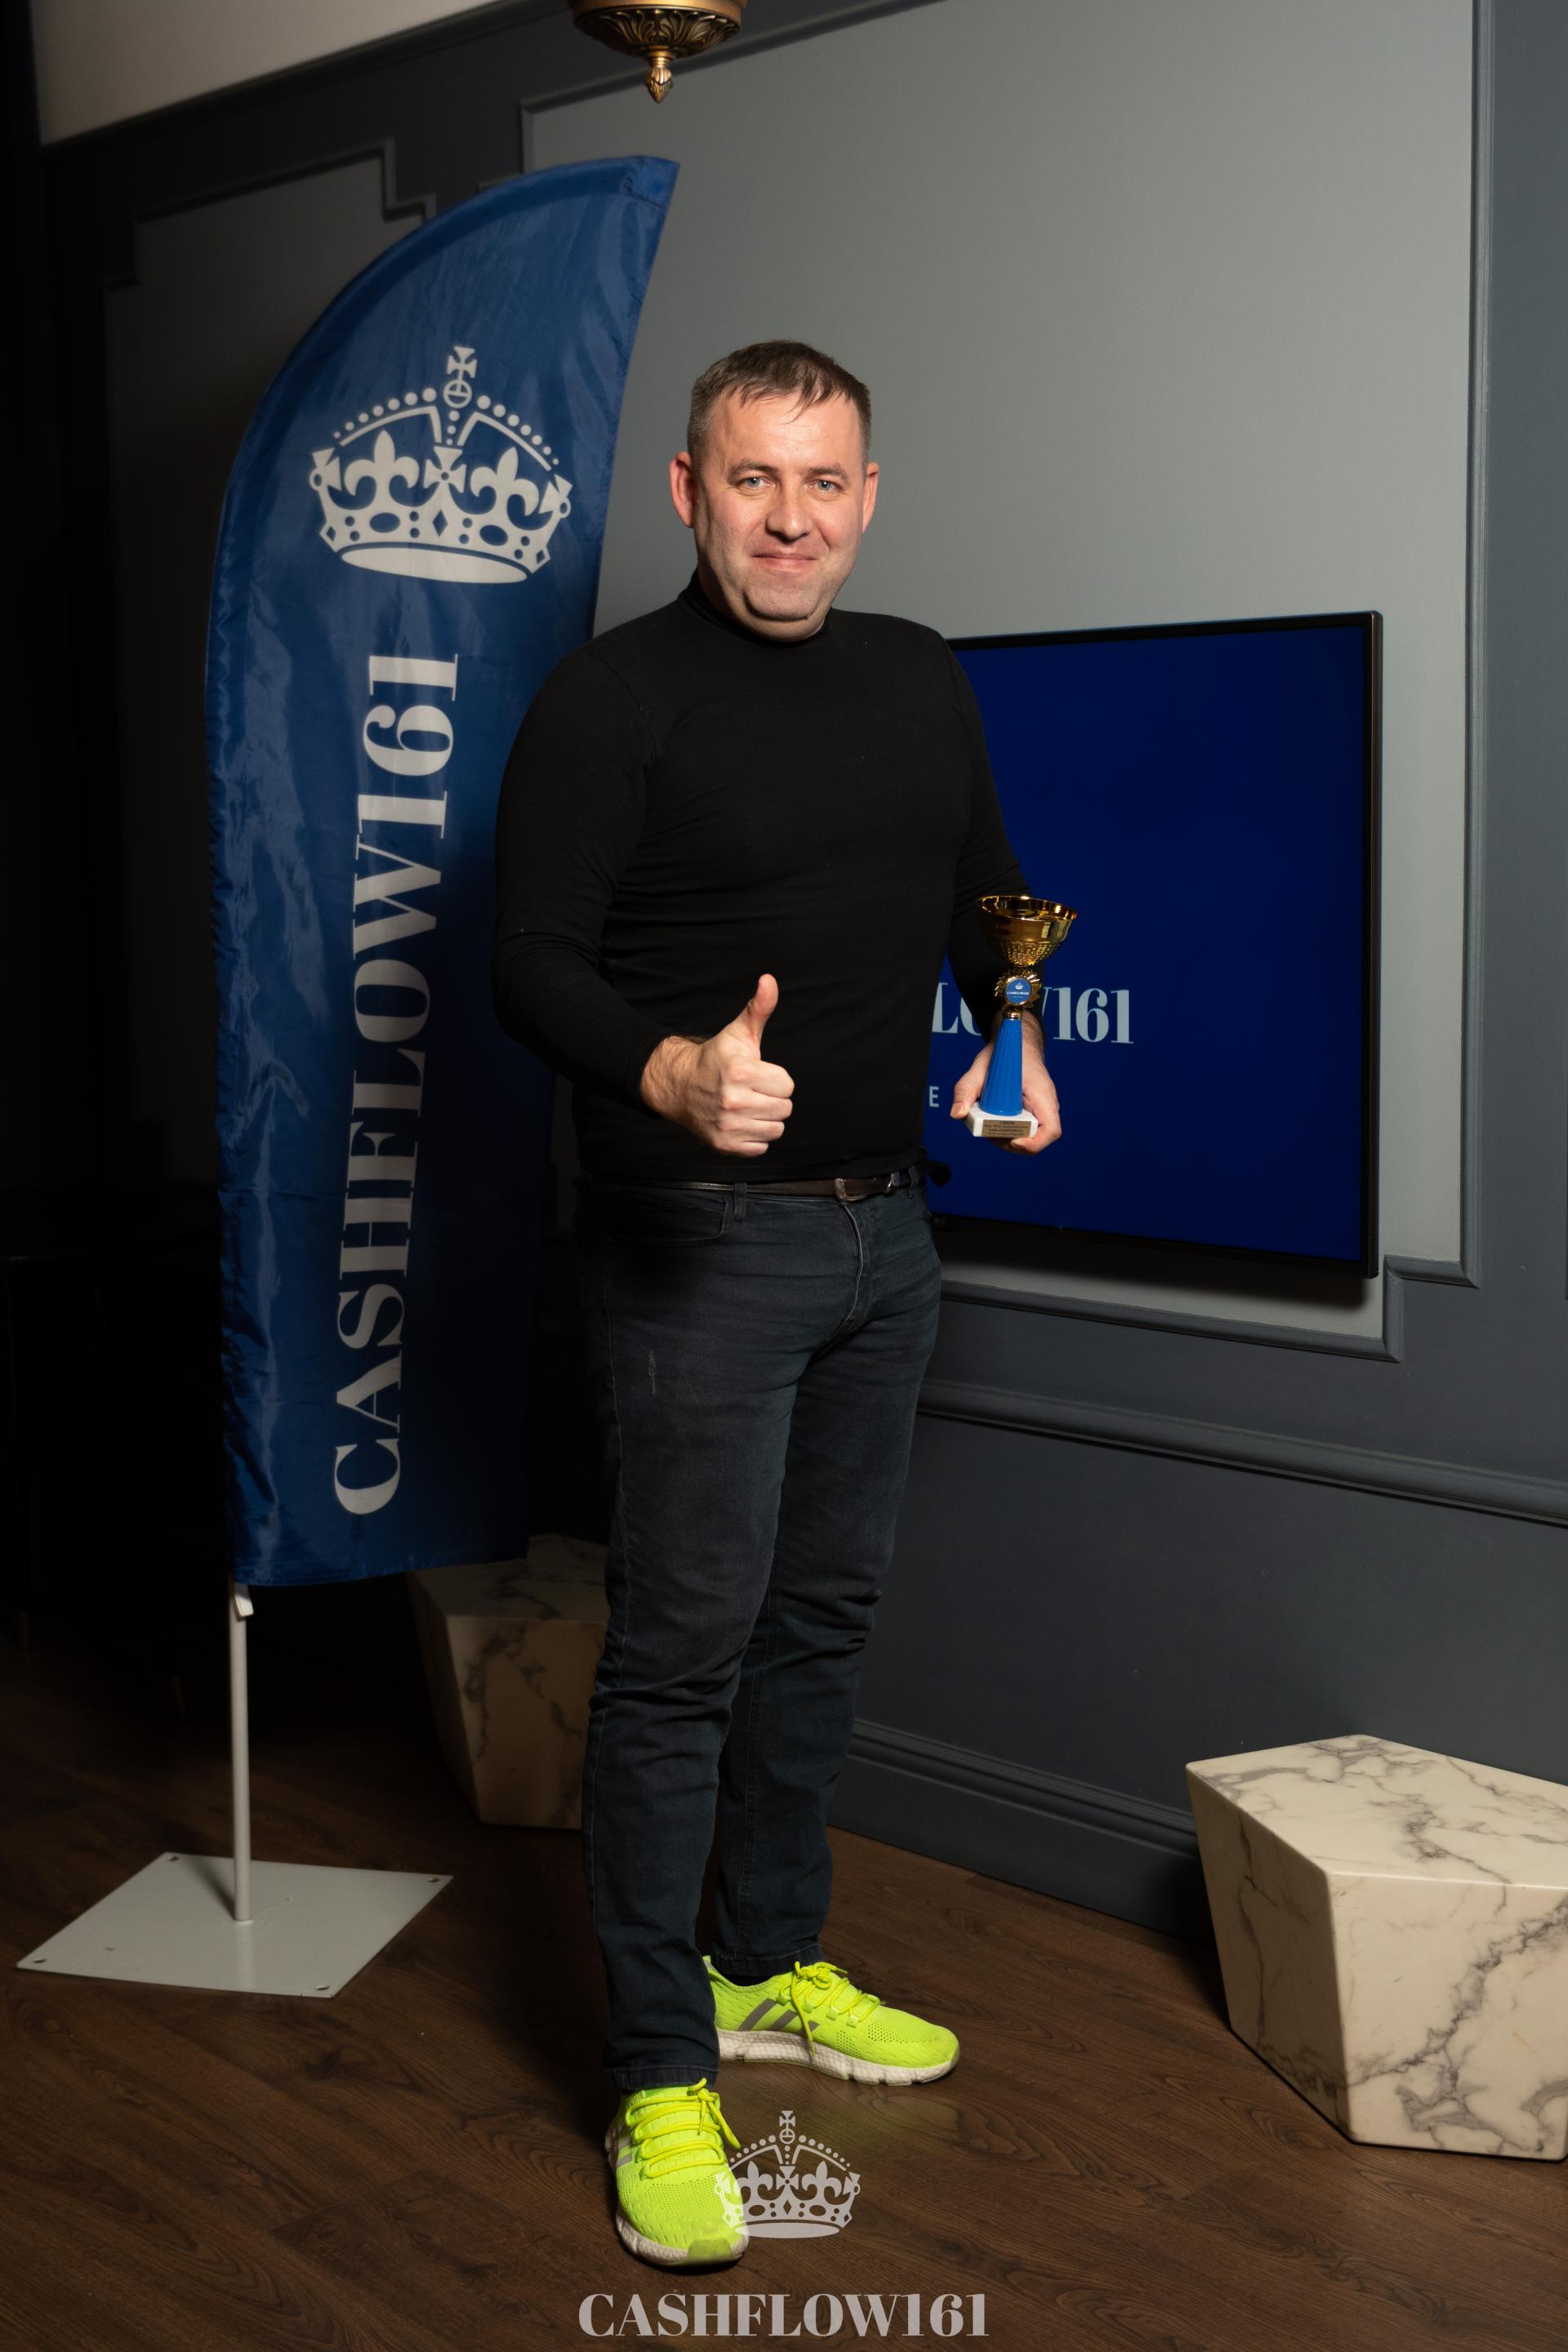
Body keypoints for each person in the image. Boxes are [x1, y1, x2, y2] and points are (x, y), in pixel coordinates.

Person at [492, 341, 1060, 2270]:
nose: (791, 519)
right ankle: (661, 2069)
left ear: (870, 497)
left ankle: (764, 1967)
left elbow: (993, 897)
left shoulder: (919, 674)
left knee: (818, 1627)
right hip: (698, 1244)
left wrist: (1015, 1034)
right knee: (681, 1659)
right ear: (689, 491)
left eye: (825, 482)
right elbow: (527, 962)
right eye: (754, 480)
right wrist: (668, 1072)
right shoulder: (608, 700)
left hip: (888, 1237)